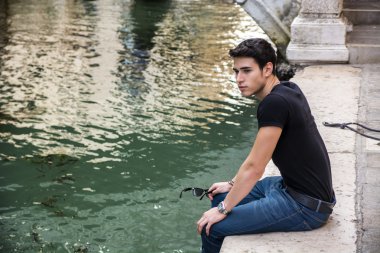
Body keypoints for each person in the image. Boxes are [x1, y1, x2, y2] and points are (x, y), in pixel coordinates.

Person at [196, 38, 336, 253]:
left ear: (268, 68)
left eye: (246, 71)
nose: (239, 79)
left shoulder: (274, 104)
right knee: (222, 196)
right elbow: (257, 157)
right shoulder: (289, 88)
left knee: (213, 228)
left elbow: (255, 168)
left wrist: (223, 211)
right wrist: (232, 185)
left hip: (305, 206)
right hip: (290, 187)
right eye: (236, 72)